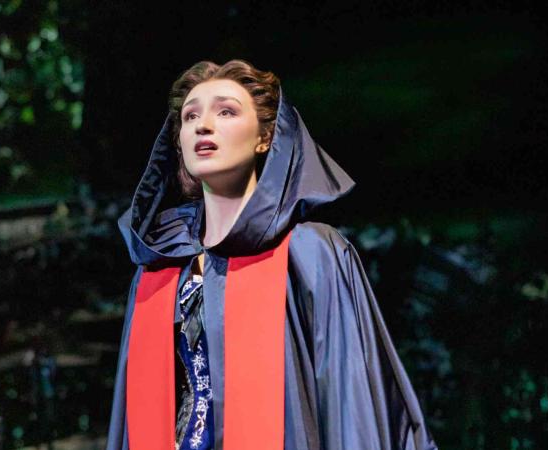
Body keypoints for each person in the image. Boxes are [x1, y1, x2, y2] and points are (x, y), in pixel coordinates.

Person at [105, 59, 439, 450]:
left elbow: (351, 400)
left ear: (266, 137)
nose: (203, 125)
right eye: (190, 116)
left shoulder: (310, 254)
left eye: (226, 111)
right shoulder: (159, 267)